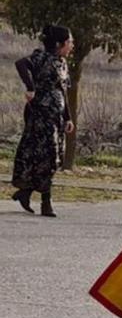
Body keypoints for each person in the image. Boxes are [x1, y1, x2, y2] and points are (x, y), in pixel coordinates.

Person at [10, 25, 75, 217]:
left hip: (57, 117)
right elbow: (20, 64)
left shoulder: (62, 63)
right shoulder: (41, 57)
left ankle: (26, 192)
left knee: (53, 157)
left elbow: (64, 91)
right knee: (45, 155)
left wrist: (68, 118)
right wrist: (30, 87)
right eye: (70, 41)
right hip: (40, 115)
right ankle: (46, 202)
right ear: (61, 43)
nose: (72, 45)